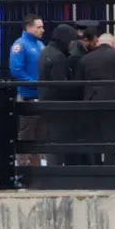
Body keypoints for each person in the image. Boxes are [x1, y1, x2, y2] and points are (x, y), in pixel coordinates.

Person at [77, 20, 115, 166]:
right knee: (113, 136)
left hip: (92, 101)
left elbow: (79, 82)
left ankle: (95, 168)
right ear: (112, 43)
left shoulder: (85, 59)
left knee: (94, 136)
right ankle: (111, 167)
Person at [36, 22, 83, 165]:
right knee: (58, 142)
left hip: (47, 103)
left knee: (52, 141)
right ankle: (56, 172)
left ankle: (53, 170)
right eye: (71, 41)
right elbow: (61, 84)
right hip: (58, 106)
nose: (72, 45)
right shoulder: (58, 57)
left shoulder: (46, 52)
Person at [8, 14, 46, 165]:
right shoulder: (20, 45)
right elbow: (16, 70)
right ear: (29, 28)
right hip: (27, 96)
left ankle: (37, 169)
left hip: (39, 95)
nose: (42, 30)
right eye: (39, 27)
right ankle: (22, 167)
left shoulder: (40, 45)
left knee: (39, 135)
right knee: (26, 134)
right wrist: (35, 83)